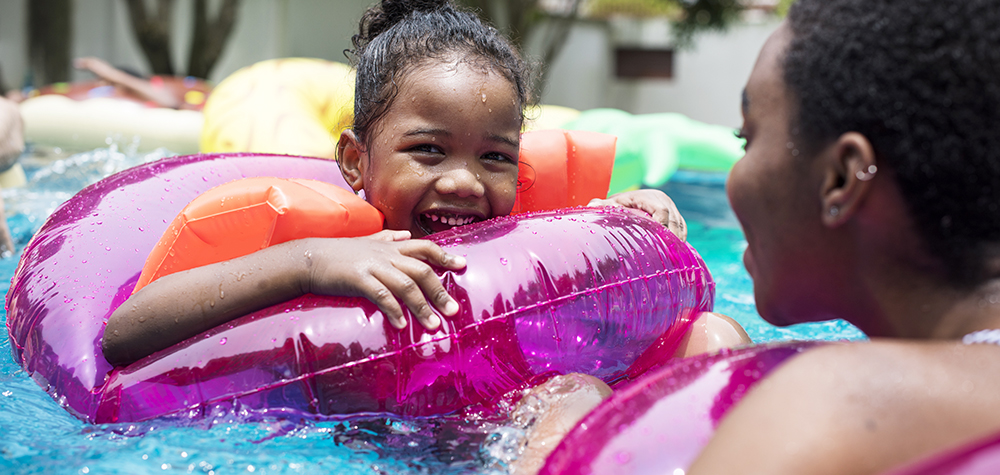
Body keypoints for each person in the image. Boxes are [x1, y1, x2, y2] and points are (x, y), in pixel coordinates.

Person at [101, 0, 749, 368]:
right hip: (375, 431)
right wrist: (309, 264)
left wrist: (638, 216)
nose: (465, 181)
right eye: (429, 151)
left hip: (510, 412)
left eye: (495, 158)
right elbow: (122, 333)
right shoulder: (319, 244)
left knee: (720, 337)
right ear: (356, 162)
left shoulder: (527, 235)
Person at [683, 0, 1000, 473]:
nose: (735, 177)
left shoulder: (830, 407)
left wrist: (560, 424)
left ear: (841, 178)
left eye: (746, 138)